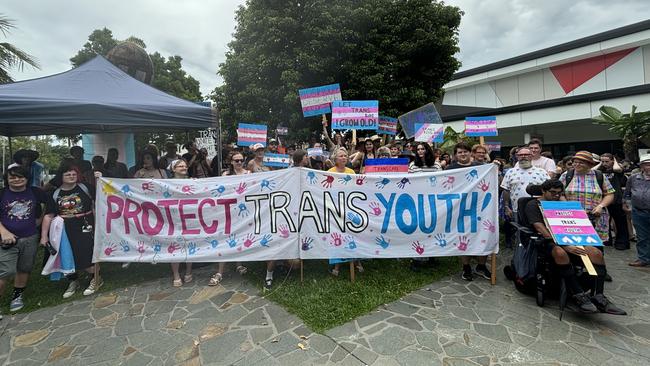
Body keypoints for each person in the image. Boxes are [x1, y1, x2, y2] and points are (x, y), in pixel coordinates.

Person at [523, 179, 626, 315]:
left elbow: (576, 223)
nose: (555, 196)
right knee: (560, 253)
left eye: (559, 194)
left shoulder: (562, 204)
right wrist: (564, 245)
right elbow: (539, 227)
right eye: (552, 193)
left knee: (596, 253)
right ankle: (579, 294)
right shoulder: (533, 204)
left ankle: (599, 295)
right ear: (543, 191)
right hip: (548, 240)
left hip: (571, 237)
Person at [0, 166, 55, 317]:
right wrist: (4, 232)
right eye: (12, 177)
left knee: (25, 268)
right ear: (7, 179)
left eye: (20, 177)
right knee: (5, 271)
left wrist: (41, 219)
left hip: (30, 237)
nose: (16, 179)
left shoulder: (35, 192)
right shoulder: (2, 193)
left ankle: (17, 296)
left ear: (26, 178)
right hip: (6, 240)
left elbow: (50, 205)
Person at [51, 163, 102, 297]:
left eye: (74, 174)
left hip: (85, 225)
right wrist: (44, 236)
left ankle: (95, 278)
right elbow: (49, 214)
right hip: (64, 229)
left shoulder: (85, 188)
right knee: (67, 253)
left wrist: (100, 180)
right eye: (68, 174)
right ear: (61, 176)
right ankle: (73, 281)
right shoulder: (56, 193)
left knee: (86, 250)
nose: (71, 176)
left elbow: (101, 196)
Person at [446, 142, 490, 281]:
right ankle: (466, 267)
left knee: (483, 234)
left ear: (470, 153)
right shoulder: (450, 168)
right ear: (455, 155)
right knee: (462, 237)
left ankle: (481, 266)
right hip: (459, 208)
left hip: (479, 206)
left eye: (465, 151)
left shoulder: (482, 168)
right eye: (460, 152)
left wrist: (495, 168)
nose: (463, 154)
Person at [559, 151, 615, 247]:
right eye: (575, 162)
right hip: (573, 218)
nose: (577, 164)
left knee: (595, 247)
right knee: (575, 246)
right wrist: (568, 207)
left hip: (596, 218)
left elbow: (609, 194)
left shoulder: (599, 176)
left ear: (589, 164)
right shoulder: (567, 175)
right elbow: (559, 193)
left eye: (581, 162)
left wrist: (601, 206)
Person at [209, 152, 249, 286]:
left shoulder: (249, 174)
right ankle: (220, 271)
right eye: (236, 160)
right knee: (226, 239)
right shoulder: (226, 175)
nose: (238, 163)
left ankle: (239, 264)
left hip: (243, 212)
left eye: (241, 160)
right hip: (228, 211)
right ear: (231, 162)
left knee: (240, 237)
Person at [501, 147, 550, 222]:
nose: (523, 157)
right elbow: (506, 191)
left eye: (526, 155)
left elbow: (549, 189)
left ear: (531, 156)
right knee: (519, 232)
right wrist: (507, 207)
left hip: (539, 209)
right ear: (517, 157)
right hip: (517, 210)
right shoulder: (510, 172)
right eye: (521, 155)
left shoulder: (542, 172)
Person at [167, 159, 194, 287]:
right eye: (180, 166)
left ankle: (189, 271)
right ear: (173, 169)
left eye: (185, 165)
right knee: (174, 245)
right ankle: (176, 274)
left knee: (189, 244)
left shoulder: (193, 182)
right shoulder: (166, 183)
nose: (184, 167)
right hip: (174, 218)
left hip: (190, 217)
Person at [598, 153, 629, 250]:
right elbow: (593, 170)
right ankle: (607, 240)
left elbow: (617, 169)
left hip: (616, 200)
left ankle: (622, 242)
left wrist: (615, 161)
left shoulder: (617, 170)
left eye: (607, 161)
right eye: (602, 161)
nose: (604, 163)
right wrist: (600, 163)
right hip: (604, 200)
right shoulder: (600, 171)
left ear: (612, 161)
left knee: (620, 223)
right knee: (605, 221)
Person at [624, 153, 650, 267]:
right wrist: (626, 204)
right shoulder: (633, 178)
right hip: (639, 211)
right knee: (642, 236)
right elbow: (627, 193)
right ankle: (643, 259)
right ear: (641, 166)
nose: (649, 167)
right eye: (646, 165)